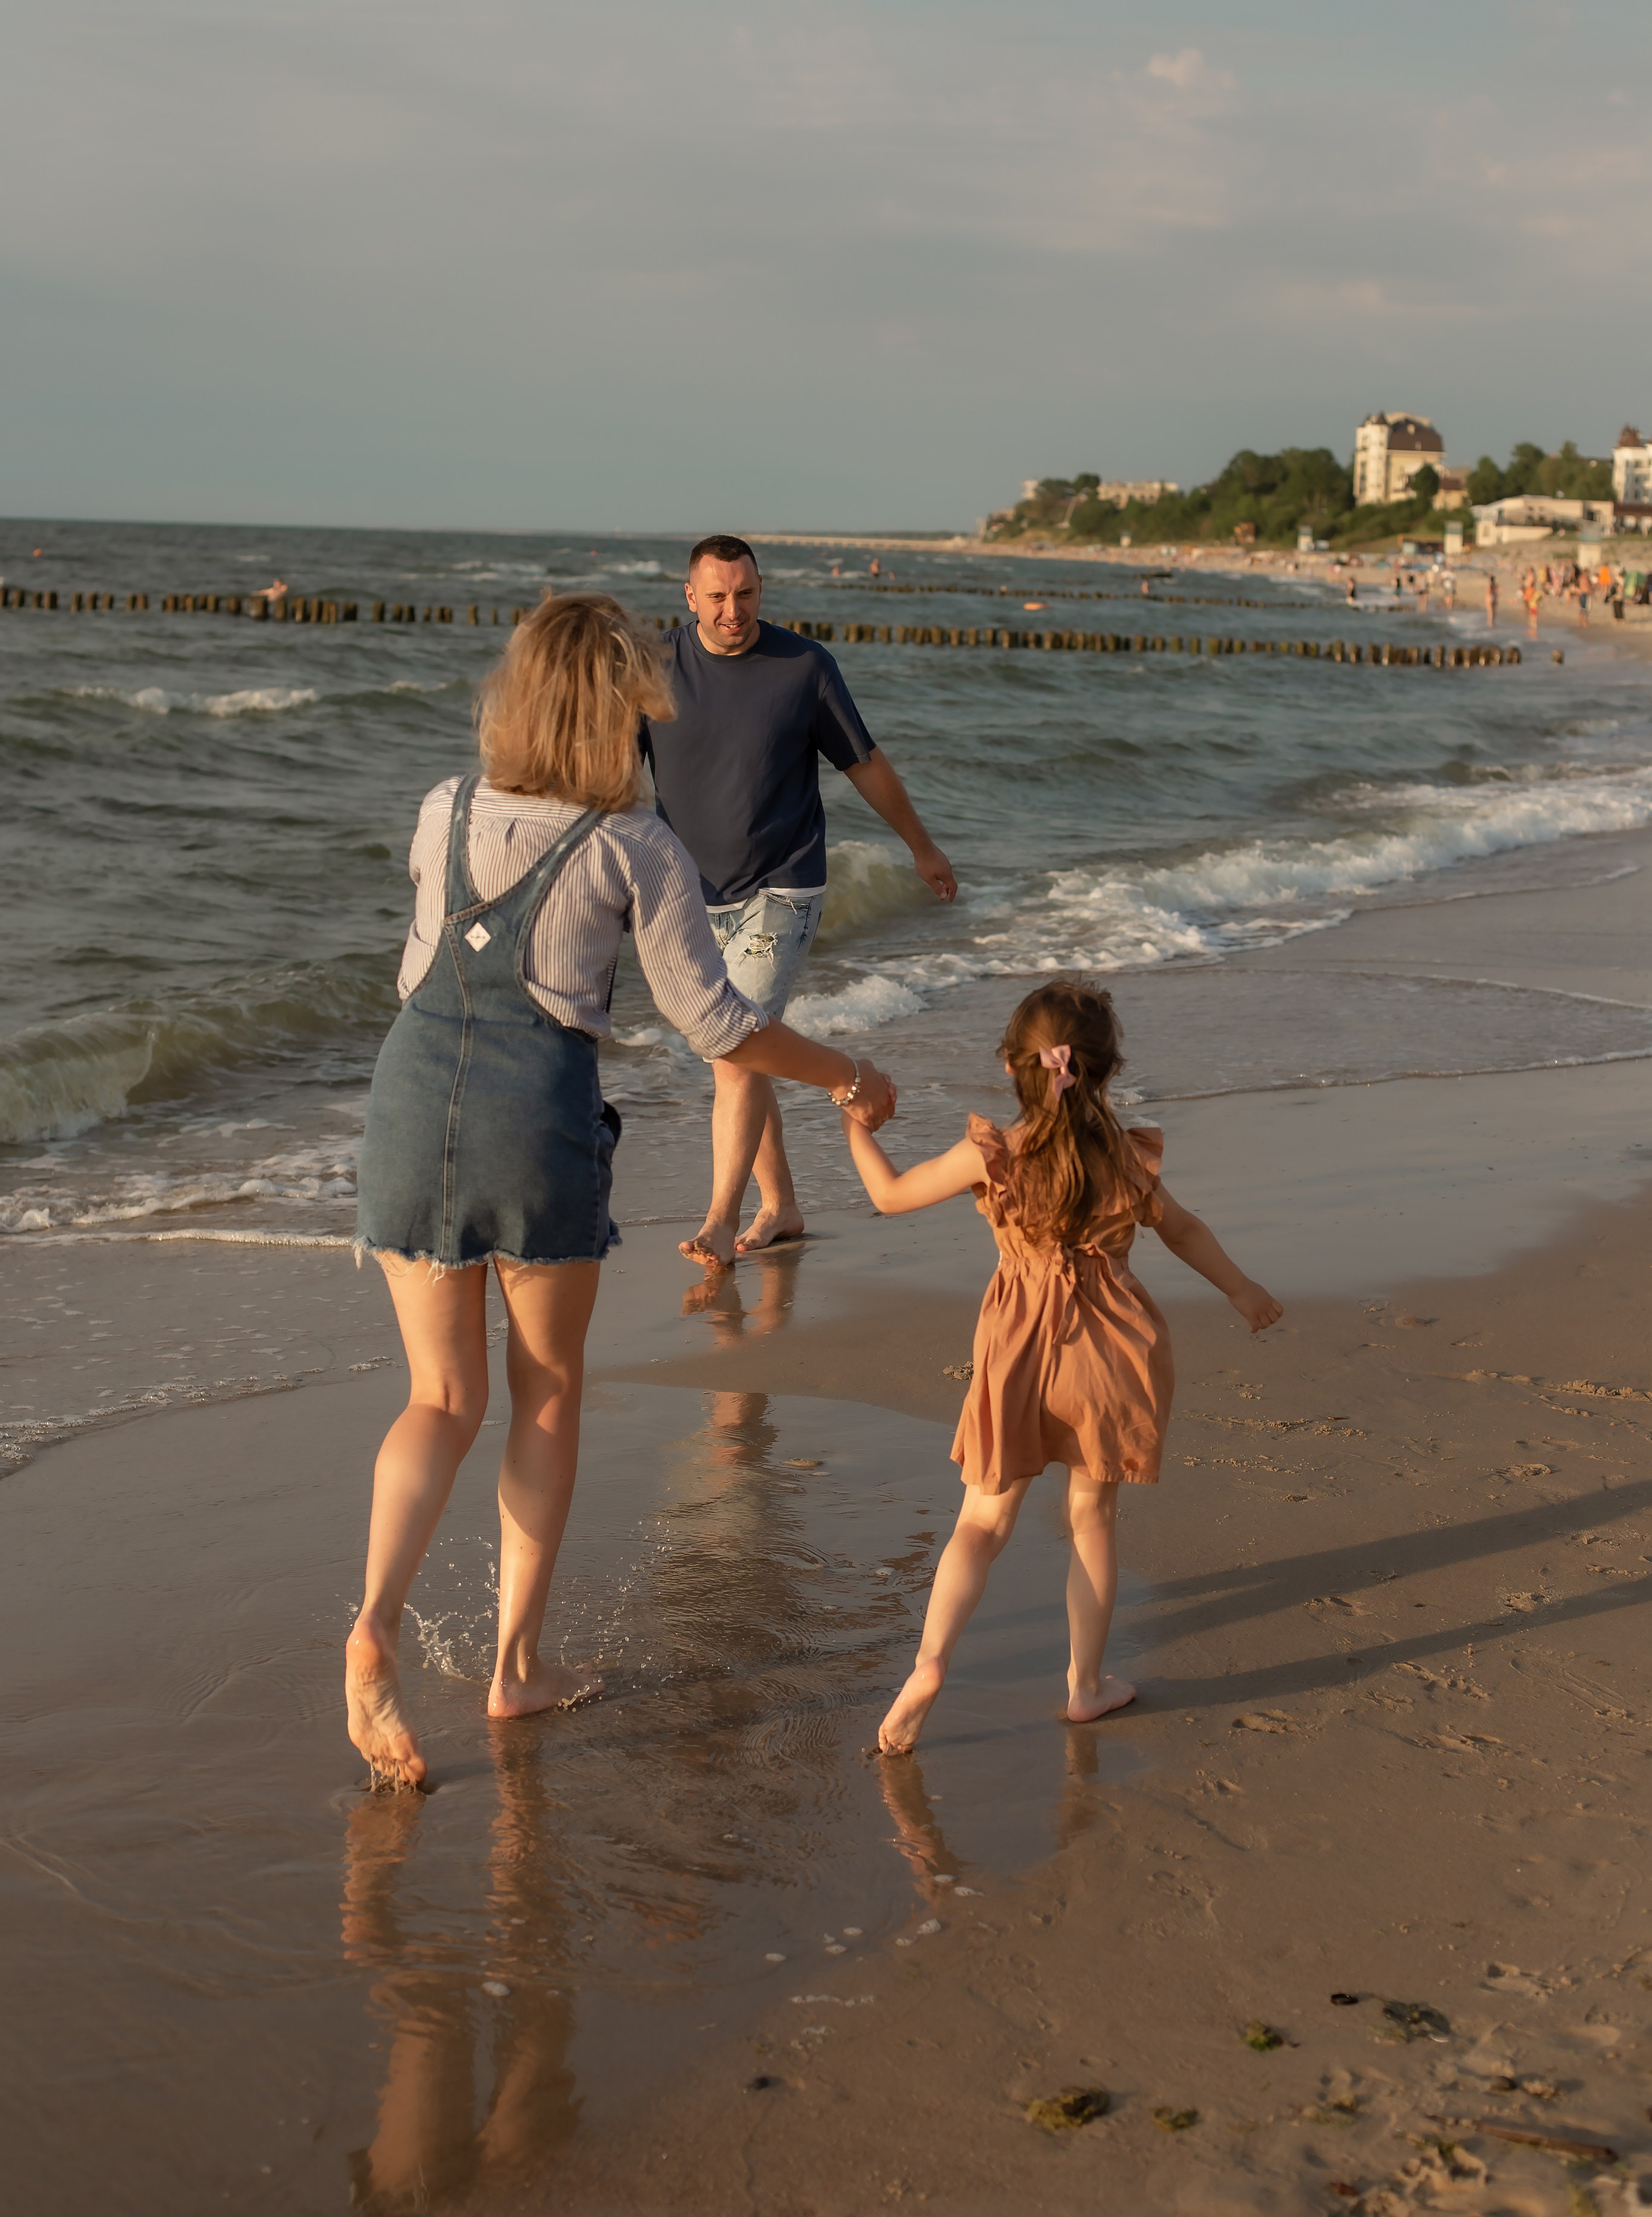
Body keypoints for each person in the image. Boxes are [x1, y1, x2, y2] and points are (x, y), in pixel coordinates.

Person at [345, 594, 896, 1789]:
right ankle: (516, 1669)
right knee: (543, 1395)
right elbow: (717, 1024)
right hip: (531, 1117)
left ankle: (374, 1621)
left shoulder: (443, 808)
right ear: (617, 711)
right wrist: (848, 1072)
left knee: (438, 1396)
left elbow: (416, 969)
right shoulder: (634, 845)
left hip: (408, 1101)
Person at [838, 978, 1281, 1753]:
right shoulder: (1125, 1157)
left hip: (1015, 1348)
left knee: (982, 1522)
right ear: (1106, 1071)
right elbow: (1182, 1230)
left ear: (1011, 1065)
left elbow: (891, 1195)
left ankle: (930, 1664)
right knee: (1091, 1519)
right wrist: (1242, 1290)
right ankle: (1085, 1686)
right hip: (1109, 1351)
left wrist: (857, 1127)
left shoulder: (991, 1154)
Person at [641, 534, 954, 1269]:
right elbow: (607, 769)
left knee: (733, 1049)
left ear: (762, 589)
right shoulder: (651, 668)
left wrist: (921, 845)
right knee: (746, 1044)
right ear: (689, 597)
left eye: (745, 594)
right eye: (717, 597)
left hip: (783, 884)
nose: (733, 610)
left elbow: (863, 763)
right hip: (685, 890)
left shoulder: (804, 666)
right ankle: (781, 1205)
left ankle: (720, 1221)